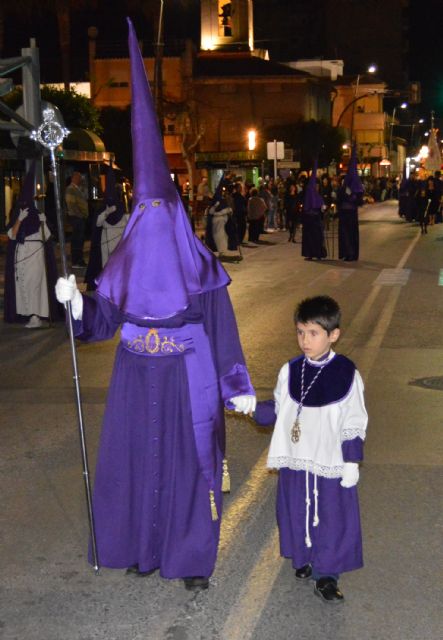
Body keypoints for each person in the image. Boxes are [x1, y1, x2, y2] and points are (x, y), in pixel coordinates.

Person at [55, 19, 256, 592]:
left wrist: (235, 381)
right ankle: (141, 547)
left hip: (185, 375)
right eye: (144, 212)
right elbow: (103, 321)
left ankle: (189, 558)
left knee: (188, 467)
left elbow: (221, 326)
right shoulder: (126, 261)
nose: (150, 222)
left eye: (158, 212)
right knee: (136, 464)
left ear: (173, 211)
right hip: (133, 374)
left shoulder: (199, 266)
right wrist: (75, 303)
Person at [252, 295, 368, 604]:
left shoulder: (346, 373)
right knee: (296, 510)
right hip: (296, 459)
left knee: (328, 516)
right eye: (300, 332)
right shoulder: (290, 370)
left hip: (329, 460)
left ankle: (327, 575)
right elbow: (278, 410)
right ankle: (303, 557)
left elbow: (354, 418)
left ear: (334, 335)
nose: (305, 340)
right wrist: (250, 406)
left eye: (314, 333)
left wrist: (351, 460)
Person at [4, 161, 61, 327]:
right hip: (22, 252)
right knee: (23, 285)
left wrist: (44, 223)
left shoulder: (37, 215)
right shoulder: (18, 214)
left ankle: (36, 315)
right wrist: (19, 220)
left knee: (35, 284)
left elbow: (47, 237)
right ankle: (27, 314)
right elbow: (12, 235)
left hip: (36, 253)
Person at [84, 165, 129, 290]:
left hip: (118, 242)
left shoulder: (121, 208)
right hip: (105, 242)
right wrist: (106, 212)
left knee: (119, 267)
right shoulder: (103, 209)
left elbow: (128, 222)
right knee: (106, 266)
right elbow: (98, 223)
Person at [337, 147, 364, 262]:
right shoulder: (342, 189)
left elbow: (359, 201)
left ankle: (351, 254)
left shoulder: (356, 188)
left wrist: (353, 195)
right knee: (345, 235)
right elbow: (339, 200)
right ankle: (346, 253)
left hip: (351, 214)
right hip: (344, 214)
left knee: (351, 235)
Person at [301, 165, 327, 261]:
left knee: (318, 237)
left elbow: (322, 207)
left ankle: (318, 254)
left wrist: (323, 208)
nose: (316, 187)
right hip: (309, 220)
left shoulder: (319, 196)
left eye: (317, 186)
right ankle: (310, 254)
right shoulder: (309, 194)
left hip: (316, 219)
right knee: (310, 238)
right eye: (315, 186)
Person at [65, 170, 89, 268]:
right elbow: (71, 204)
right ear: (74, 178)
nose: (80, 179)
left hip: (79, 217)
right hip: (76, 218)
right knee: (77, 240)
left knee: (80, 239)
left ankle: (79, 260)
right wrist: (80, 215)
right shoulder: (71, 189)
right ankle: (76, 261)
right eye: (78, 177)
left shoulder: (77, 189)